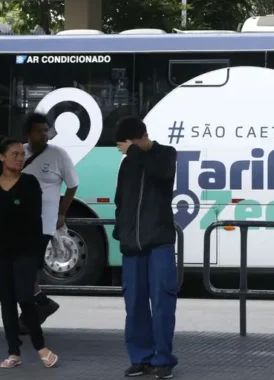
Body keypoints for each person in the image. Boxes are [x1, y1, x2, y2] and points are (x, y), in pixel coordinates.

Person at [0, 136, 58, 369]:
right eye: (14, 154)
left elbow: (32, 216)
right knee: (6, 301)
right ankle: (13, 352)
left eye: (22, 154)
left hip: (26, 251)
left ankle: (41, 346)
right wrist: (12, 211)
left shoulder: (30, 183)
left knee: (25, 296)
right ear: (1, 157)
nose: (20, 158)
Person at [113, 117, 179, 379]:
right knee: (135, 304)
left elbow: (161, 174)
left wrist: (135, 152)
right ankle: (140, 358)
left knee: (163, 303)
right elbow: (120, 199)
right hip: (132, 246)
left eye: (125, 146)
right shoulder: (128, 163)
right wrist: (122, 231)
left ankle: (163, 359)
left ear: (139, 139)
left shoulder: (165, 155)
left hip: (159, 243)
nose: (123, 152)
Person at [20, 112, 79, 330]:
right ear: (28, 134)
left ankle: (32, 314)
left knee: (29, 269)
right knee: (23, 270)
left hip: (44, 223)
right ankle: (40, 306)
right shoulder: (19, 153)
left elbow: (72, 185)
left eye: (47, 130)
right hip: (18, 223)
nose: (45, 135)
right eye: (39, 131)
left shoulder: (58, 154)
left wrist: (62, 213)